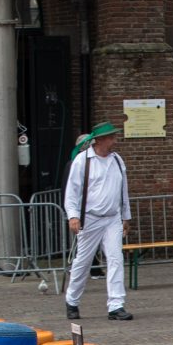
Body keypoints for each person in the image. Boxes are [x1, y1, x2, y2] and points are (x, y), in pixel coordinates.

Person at [63, 121, 132, 322]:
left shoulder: (117, 160)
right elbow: (72, 192)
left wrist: (125, 216)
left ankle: (116, 305)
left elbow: (123, 191)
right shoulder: (82, 161)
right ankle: (72, 300)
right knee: (83, 261)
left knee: (115, 259)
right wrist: (73, 216)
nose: (115, 141)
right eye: (111, 137)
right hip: (90, 218)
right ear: (100, 140)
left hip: (112, 218)